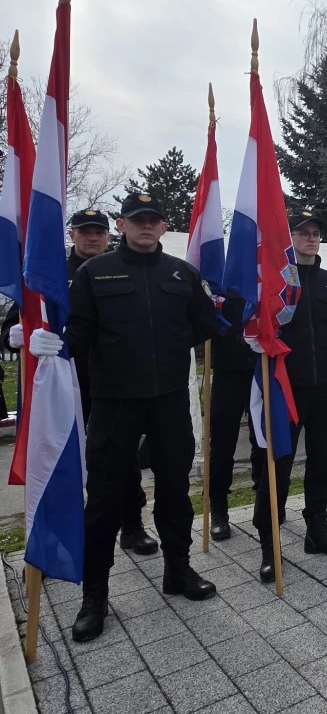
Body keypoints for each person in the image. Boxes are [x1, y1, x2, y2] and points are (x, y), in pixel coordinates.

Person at [53, 193, 220, 642]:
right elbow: (80, 332)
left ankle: (178, 571)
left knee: (175, 491)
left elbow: (206, 323)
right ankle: (95, 596)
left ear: (164, 227)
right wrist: (49, 341)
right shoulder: (93, 273)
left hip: (167, 400)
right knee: (105, 500)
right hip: (114, 401)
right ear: (122, 227)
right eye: (136, 220)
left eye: (153, 220)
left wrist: (173, 338)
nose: (146, 226)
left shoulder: (182, 273)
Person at [4, 209, 159, 557]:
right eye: (84, 231)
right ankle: (53, 538)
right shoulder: (47, 273)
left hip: (112, 382)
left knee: (123, 458)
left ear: (109, 235)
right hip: (60, 383)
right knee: (56, 458)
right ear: (71, 235)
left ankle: (132, 525)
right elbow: (16, 324)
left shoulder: (121, 269)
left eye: (99, 232)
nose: (92, 238)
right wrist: (16, 336)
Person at [247, 211, 327, 583]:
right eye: (302, 232)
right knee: (276, 466)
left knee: (324, 461)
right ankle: (269, 544)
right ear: (288, 237)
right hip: (284, 389)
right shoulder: (273, 283)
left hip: (326, 388)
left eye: (315, 233)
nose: (311, 238)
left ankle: (317, 530)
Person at [207, 289, 262, 541]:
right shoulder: (219, 280)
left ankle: (265, 503)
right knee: (222, 445)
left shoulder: (265, 274)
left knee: (262, 441)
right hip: (227, 370)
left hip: (259, 368)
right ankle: (218, 511)